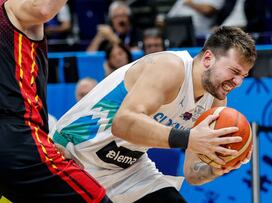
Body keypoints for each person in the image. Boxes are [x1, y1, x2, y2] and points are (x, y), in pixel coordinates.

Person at [50, 26, 257, 202]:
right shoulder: (170, 68)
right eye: (234, 71)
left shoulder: (216, 101)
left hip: (128, 169)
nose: (238, 82)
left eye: (244, 76)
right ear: (208, 59)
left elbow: (192, 173)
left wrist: (218, 167)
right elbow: (122, 123)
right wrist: (189, 138)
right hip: (76, 153)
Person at [0, 0, 111, 202]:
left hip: (16, 139)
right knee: (96, 199)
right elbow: (44, 9)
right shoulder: (12, 8)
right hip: (17, 136)